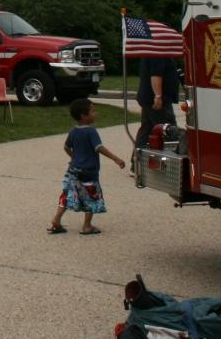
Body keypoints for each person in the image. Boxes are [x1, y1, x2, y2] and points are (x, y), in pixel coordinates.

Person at [47, 98, 126, 234]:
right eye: (93, 111)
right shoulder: (91, 131)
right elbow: (99, 148)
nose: (96, 113)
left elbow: (66, 147)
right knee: (91, 196)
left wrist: (74, 158)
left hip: (73, 169)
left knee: (68, 193)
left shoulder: (73, 131)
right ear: (84, 116)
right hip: (89, 172)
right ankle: (87, 226)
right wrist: (116, 159)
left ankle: (56, 219)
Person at [134, 55, 180, 162]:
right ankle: (171, 161)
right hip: (157, 101)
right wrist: (158, 96)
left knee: (146, 131)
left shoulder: (150, 51)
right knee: (168, 130)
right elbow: (156, 74)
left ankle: (137, 162)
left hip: (149, 99)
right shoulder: (158, 52)